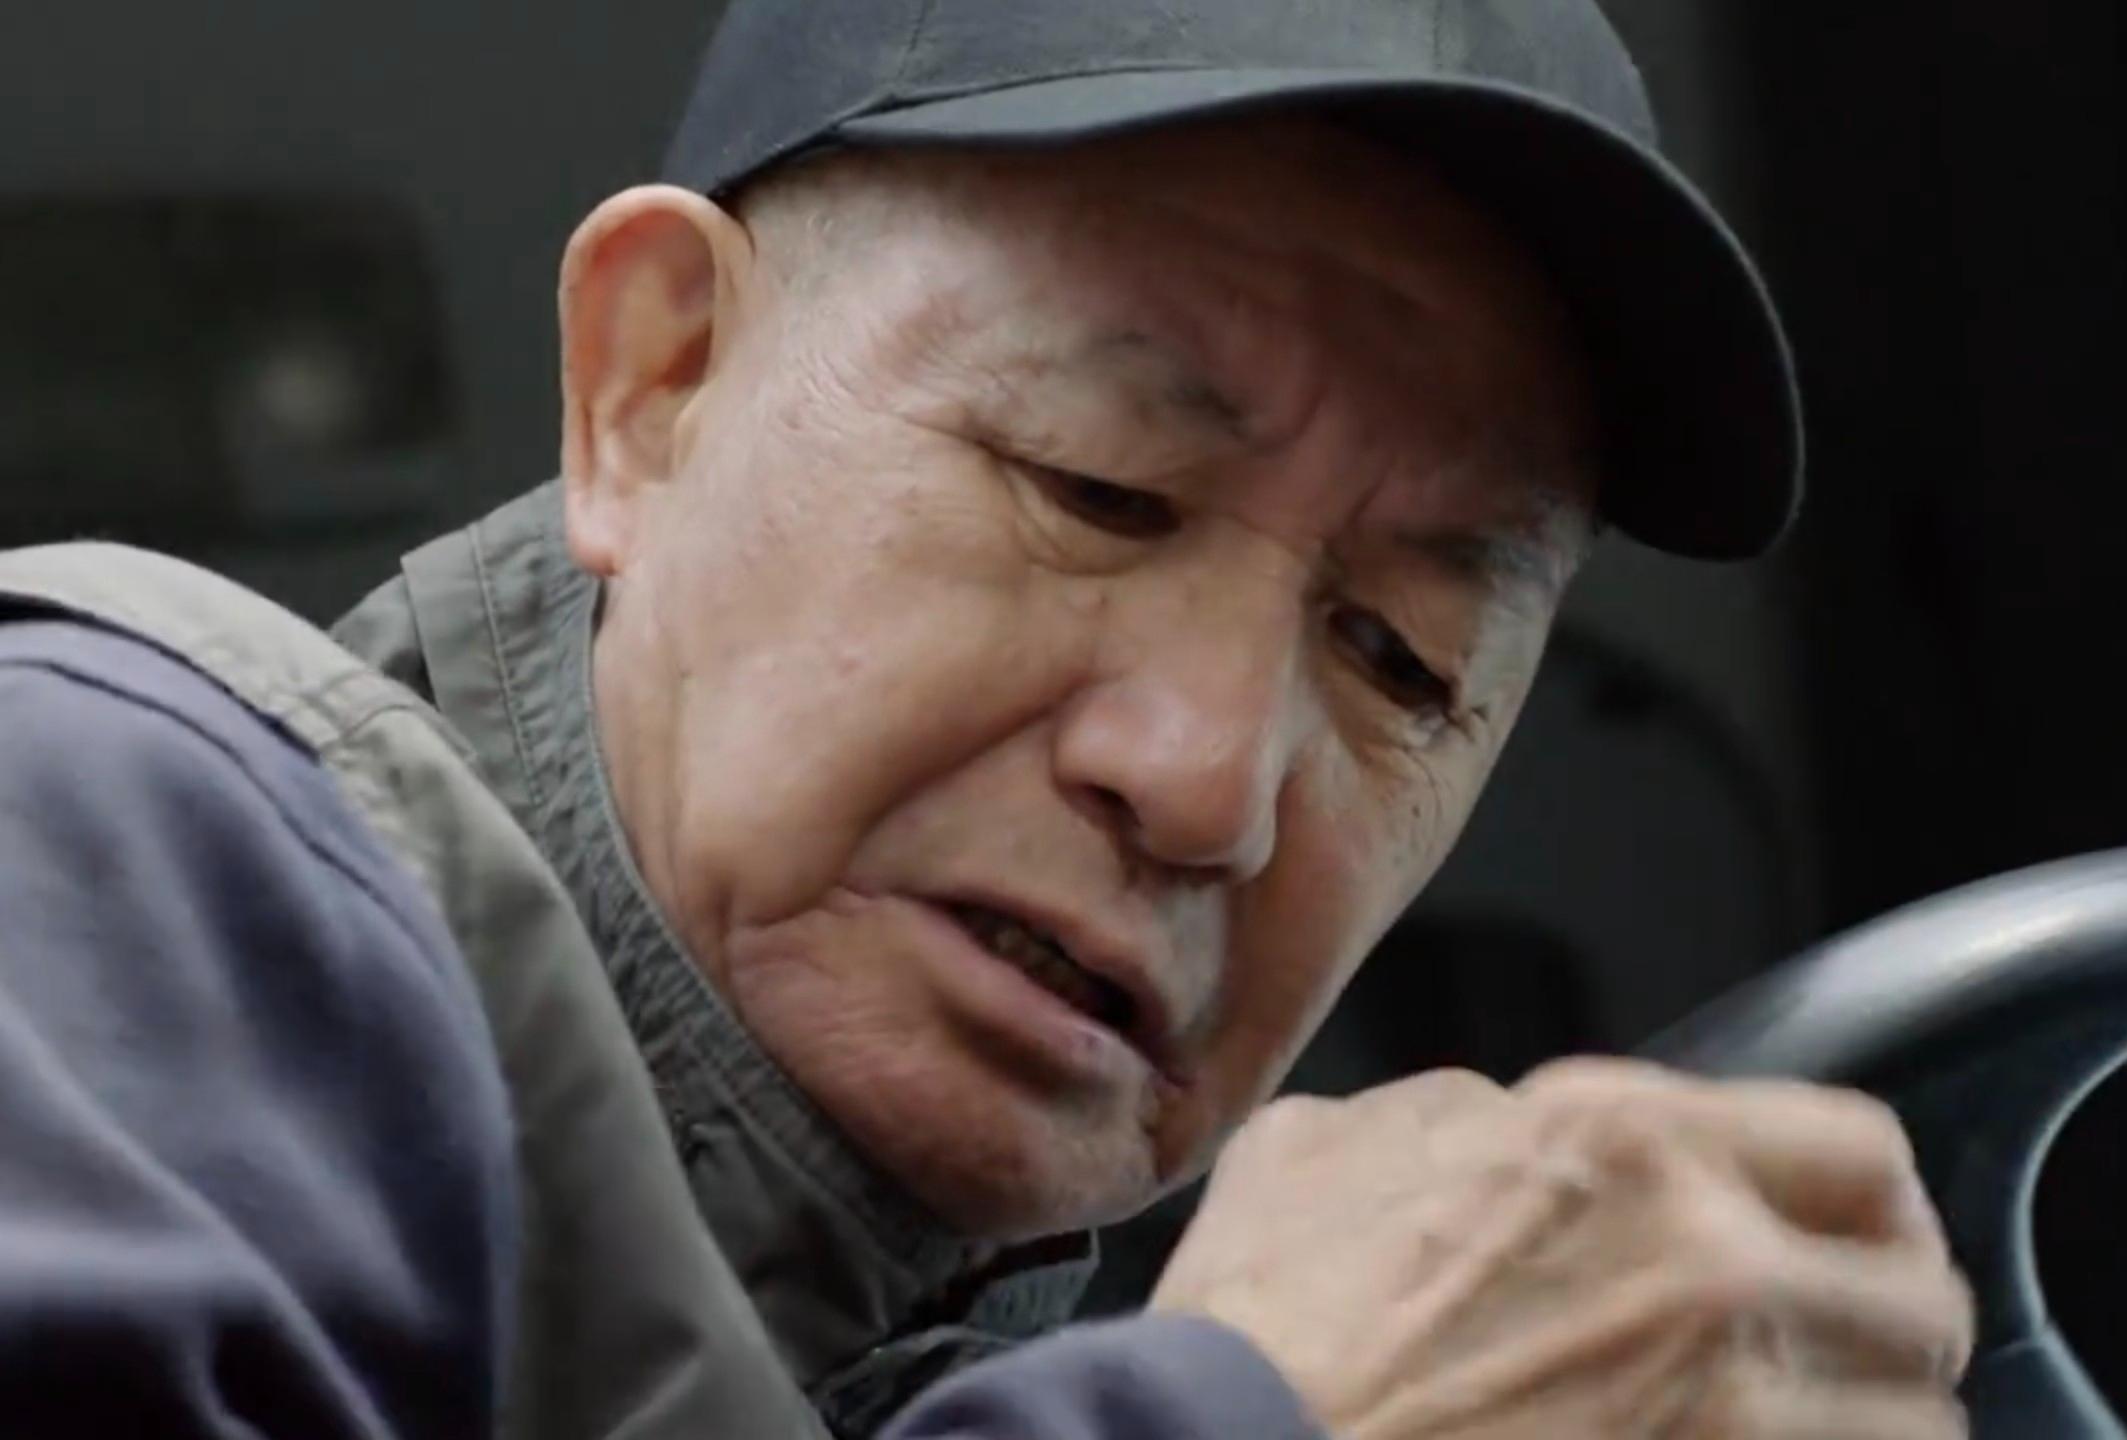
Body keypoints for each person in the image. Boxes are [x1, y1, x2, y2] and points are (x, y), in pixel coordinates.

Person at [0, 1, 1973, 1436]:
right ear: (650, 390)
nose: (1207, 780)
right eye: (1096, 490)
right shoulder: (102, 840)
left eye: (1396, 659)